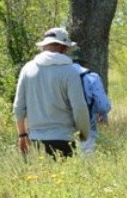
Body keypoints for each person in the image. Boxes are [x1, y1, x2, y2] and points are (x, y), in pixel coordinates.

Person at [13, 26, 90, 158]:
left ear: (44, 46)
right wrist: (84, 133)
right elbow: (79, 108)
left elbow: (18, 107)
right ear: (63, 48)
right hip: (64, 138)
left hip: (35, 139)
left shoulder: (27, 69)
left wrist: (22, 135)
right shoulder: (69, 71)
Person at [72, 50, 111, 155]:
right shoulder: (92, 77)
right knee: (86, 165)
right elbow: (103, 106)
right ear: (85, 63)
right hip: (87, 130)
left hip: (60, 131)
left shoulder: (59, 77)